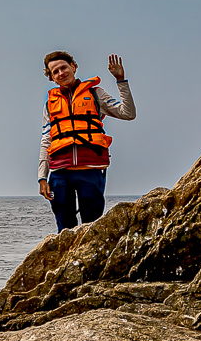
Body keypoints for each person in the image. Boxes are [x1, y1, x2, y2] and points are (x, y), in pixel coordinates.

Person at [38, 51, 136, 231]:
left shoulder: (95, 93)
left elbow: (128, 113)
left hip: (90, 170)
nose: (61, 73)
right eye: (55, 71)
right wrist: (42, 177)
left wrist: (121, 80)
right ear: (52, 78)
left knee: (92, 227)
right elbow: (46, 140)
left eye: (64, 68)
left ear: (73, 67)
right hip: (60, 172)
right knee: (64, 229)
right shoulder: (49, 103)